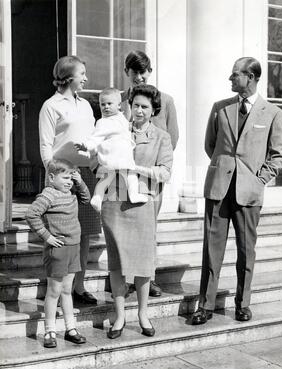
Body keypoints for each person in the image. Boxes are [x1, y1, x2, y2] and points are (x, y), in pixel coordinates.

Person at [191, 57, 282, 326]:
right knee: (211, 250)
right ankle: (206, 304)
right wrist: (224, 168)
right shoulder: (220, 109)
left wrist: (258, 179)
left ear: (252, 77)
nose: (230, 79)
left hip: (249, 192)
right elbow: (211, 145)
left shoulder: (272, 113)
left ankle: (243, 304)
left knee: (246, 250)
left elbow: (278, 155)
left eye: (235, 75)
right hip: (218, 189)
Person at [101, 84, 173, 339]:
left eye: (144, 106)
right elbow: (98, 159)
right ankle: (119, 316)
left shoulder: (161, 137)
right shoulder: (116, 129)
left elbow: (165, 172)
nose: (139, 111)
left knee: (143, 263)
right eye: (135, 105)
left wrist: (136, 169)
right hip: (113, 203)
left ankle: (143, 314)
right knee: (117, 263)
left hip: (142, 203)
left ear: (153, 110)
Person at [39, 55, 101, 305]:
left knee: (83, 234)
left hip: (85, 174)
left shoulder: (86, 105)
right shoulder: (51, 106)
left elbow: (93, 137)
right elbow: (45, 146)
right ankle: (56, 287)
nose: (86, 78)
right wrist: (53, 177)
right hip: (61, 176)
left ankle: (79, 286)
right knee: (60, 232)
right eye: (82, 73)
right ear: (68, 77)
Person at [121, 50, 179, 297]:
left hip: (151, 176)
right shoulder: (120, 99)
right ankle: (124, 277)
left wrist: (154, 162)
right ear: (127, 73)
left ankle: (148, 277)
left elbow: (172, 136)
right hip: (122, 175)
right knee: (123, 228)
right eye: (135, 72)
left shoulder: (164, 100)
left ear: (150, 72)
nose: (139, 77)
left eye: (143, 72)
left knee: (148, 228)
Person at [25, 159, 89, 348]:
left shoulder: (71, 192)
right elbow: (31, 214)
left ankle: (71, 329)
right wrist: (46, 236)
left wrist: (80, 182)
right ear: (52, 178)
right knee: (54, 292)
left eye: (71, 178)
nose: (69, 182)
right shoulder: (49, 195)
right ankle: (49, 331)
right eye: (65, 177)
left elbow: (86, 198)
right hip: (58, 250)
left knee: (67, 290)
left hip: (74, 248)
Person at [74, 87, 148, 212]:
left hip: (116, 157)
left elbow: (127, 118)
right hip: (118, 157)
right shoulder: (103, 122)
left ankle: (97, 197)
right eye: (103, 104)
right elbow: (95, 138)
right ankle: (132, 194)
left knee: (107, 179)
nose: (106, 107)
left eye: (109, 104)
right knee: (130, 175)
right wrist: (86, 146)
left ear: (119, 105)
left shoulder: (121, 118)